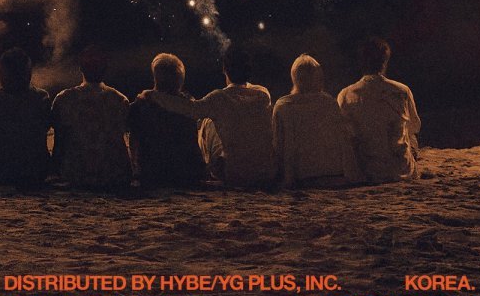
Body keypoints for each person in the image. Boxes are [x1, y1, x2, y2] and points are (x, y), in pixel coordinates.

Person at [143, 46, 276, 188]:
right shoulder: (264, 94)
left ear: (224, 70)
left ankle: (207, 165)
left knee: (207, 121)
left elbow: (189, 109)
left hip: (237, 175)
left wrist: (154, 95)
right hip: (266, 174)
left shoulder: (219, 98)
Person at [337, 37, 421, 183]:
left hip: (366, 170)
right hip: (400, 169)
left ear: (361, 62)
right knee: (410, 136)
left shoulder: (345, 94)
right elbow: (415, 126)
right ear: (385, 62)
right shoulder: (402, 90)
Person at [272, 54, 359, 189]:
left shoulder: (283, 106)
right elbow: (344, 143)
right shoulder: (330, 103)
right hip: (334, 176)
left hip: (302, 178)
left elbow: (278, 146)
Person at [50, 45, 131, 190]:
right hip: (113, 175)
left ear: (80, 68)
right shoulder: (120, 100)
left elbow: (59, 141)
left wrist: (55, 168)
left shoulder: (64, 99)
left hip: (75, 174)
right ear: (105, 69)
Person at [127, 53, 205, 189]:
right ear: (180, 81)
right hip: (187, 175)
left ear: (155, 78)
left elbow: (134, 141)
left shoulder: (141, 105)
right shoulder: (189, 106)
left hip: (152, 174)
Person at [0, 47, 52, 187]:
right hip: (37, 170)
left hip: (2, 171)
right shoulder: (42, 98)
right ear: (29, 74)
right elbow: (46, 125)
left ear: (0, 75)